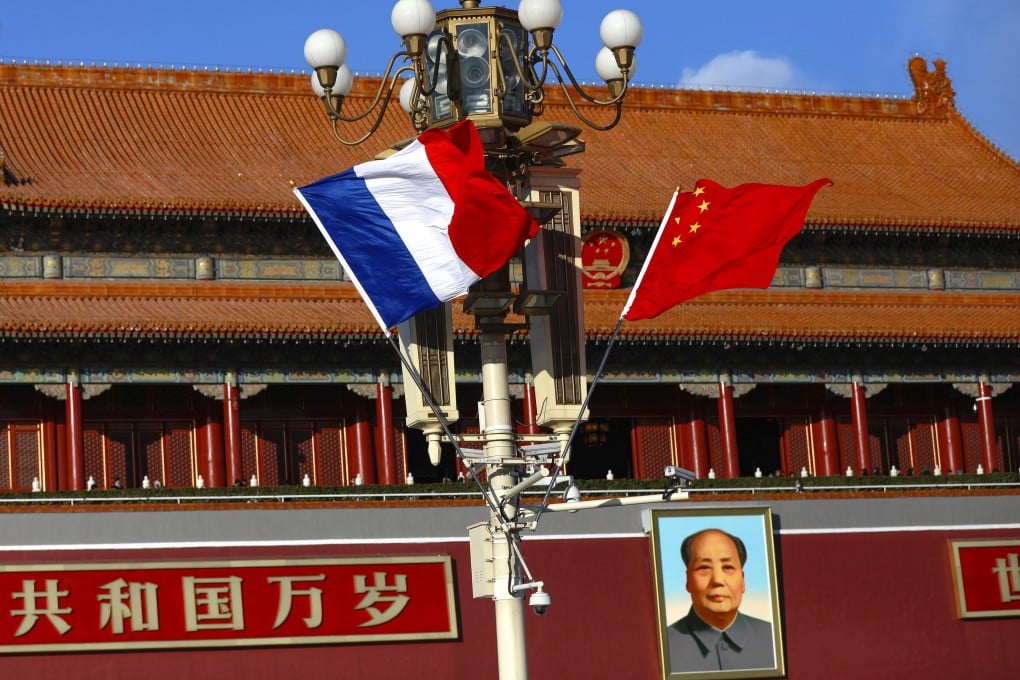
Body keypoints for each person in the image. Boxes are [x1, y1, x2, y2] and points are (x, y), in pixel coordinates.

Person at [666, 528, 775, 673]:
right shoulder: (664, 645)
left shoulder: (774, 639)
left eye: (728, 567)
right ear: (688, 580)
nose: (717, 580)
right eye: (704, 567)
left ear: (743, 580)